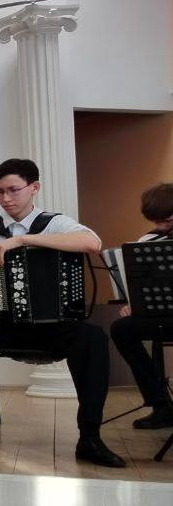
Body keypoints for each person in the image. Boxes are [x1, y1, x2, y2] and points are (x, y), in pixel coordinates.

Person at [0, 159, 120, 467]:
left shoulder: (55, 224)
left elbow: (92, 242)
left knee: (93, 337)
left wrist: (23, 239)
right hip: (2, 323)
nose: (6, 198)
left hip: (54, 325)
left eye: (13, 190)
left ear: (34, 187)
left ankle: (90, 437)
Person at [111, 182, 173, 429]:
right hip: (162, 315)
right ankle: (161, 404)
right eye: (156, 221)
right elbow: (141, 284)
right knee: (121, 328)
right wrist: (133, 304)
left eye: (167, 221)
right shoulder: (148, 241)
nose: (160, 227)